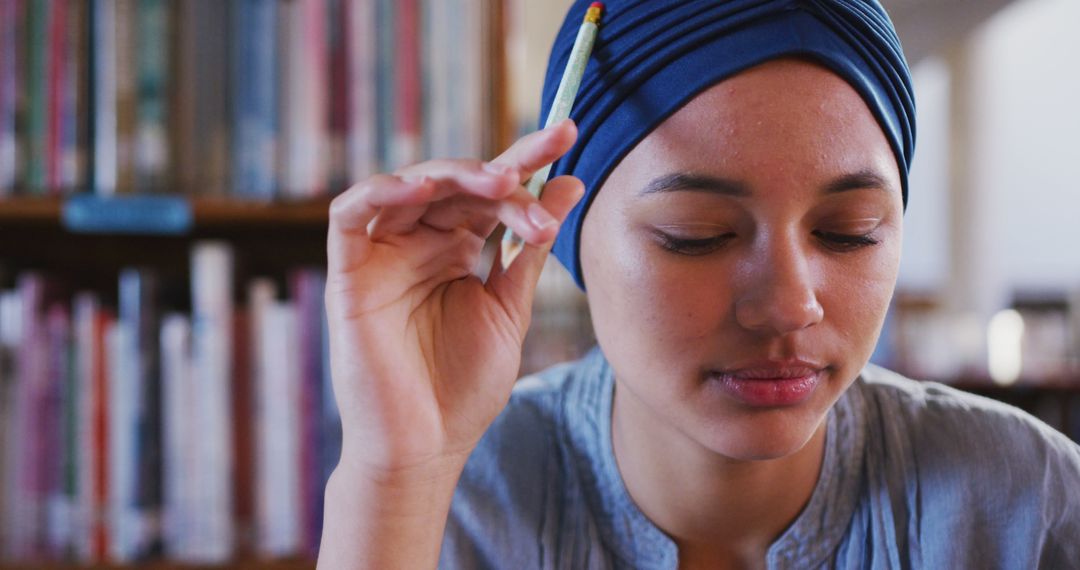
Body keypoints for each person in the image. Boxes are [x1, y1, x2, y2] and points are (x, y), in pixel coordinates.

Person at [317, 1, 1080, 568]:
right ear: (562, 228)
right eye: (698, 235)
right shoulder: (455, 503)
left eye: (849, 230)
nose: (789, 303)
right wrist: (398, 475)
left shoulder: (1028, 506)